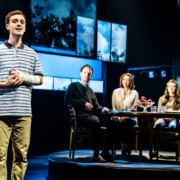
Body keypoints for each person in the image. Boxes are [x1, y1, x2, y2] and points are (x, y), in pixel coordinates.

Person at [0, 10, 43, 179]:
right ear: (7, 25)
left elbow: (40, 79)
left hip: (24, 113)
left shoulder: (32, 54)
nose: (19, 24)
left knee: (21, 157)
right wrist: (6, 83)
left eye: (22, 22)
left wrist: (24, 77)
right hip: (2, 112)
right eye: (15, 21)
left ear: (24, 27)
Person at [64, 64, 110, 162]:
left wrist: (103, 108)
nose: (87, 75)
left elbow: (97, 106)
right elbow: (66, 100)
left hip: (90, 117)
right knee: (96, 121)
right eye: (85, 72)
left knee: (109, 122)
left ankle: (105, 152)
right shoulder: (74, 86)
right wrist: (83, 103)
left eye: (89, 73)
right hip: (79, 117)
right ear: (80, 73)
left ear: (91, 76)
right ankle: (96, 154)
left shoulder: (90, 90)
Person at [105, 73, 139, 156]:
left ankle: (123, 145)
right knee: (114, 123)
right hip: (117, 117)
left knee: (126, 122)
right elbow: (114, 108)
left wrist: (125, 116)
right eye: (124, 79)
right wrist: (118, 116)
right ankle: (123, 145)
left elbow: (134, 109)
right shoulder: (115, 92)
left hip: (130, 117)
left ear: (131, 81)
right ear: (121, 80)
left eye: (128, 80)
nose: (125, 81)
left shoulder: (135, 93)